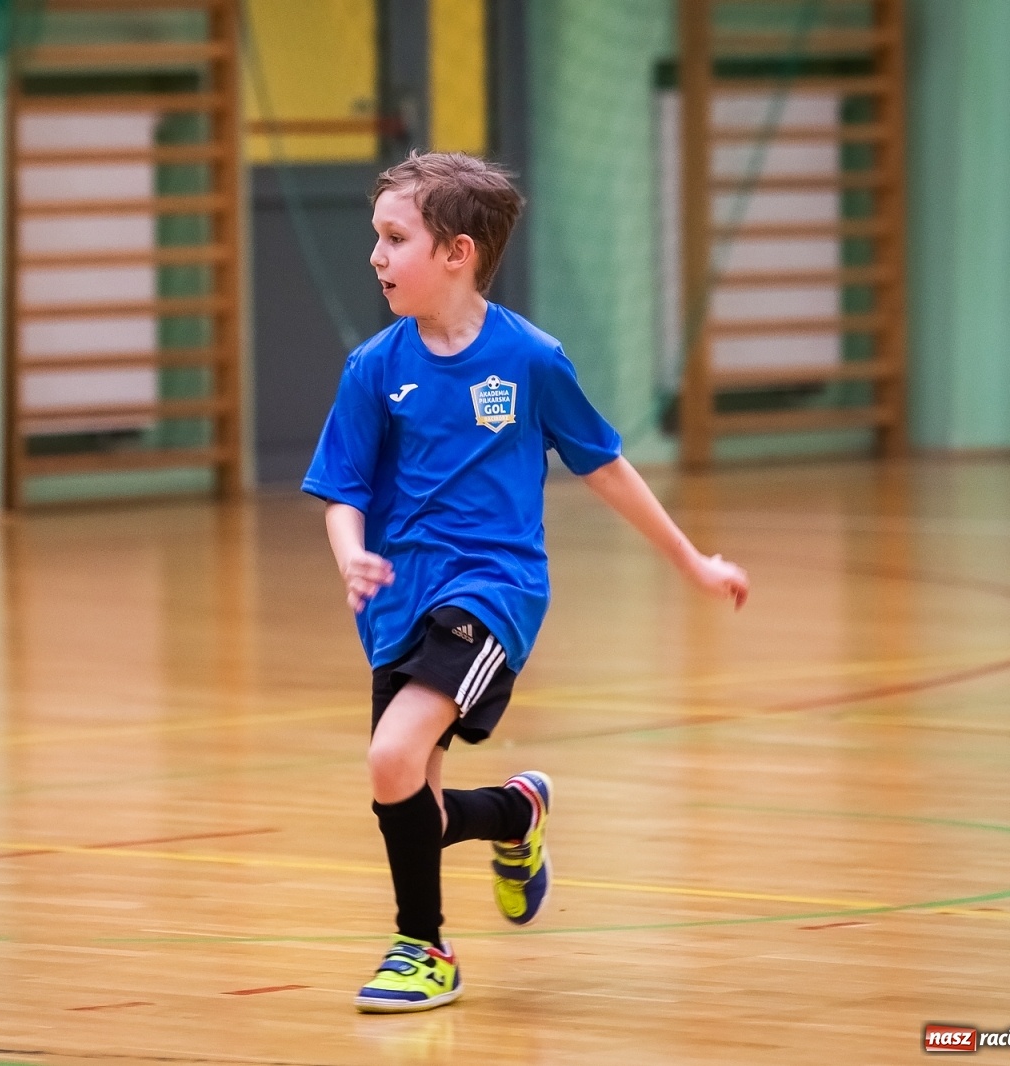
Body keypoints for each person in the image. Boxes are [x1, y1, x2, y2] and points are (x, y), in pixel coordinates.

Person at [302, 151, 749, 1014]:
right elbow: (342, 489)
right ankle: (516, 814)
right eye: (376, 237)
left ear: (456, 253)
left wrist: (692, 561)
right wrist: (349, 551)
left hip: (490, 590)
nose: (376, 256)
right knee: (413, 802)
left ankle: (424, 949)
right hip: (396, 601)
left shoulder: (530, 360)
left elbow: (605, 465)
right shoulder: (373, 368)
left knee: (391, 757)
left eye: (395, 238)